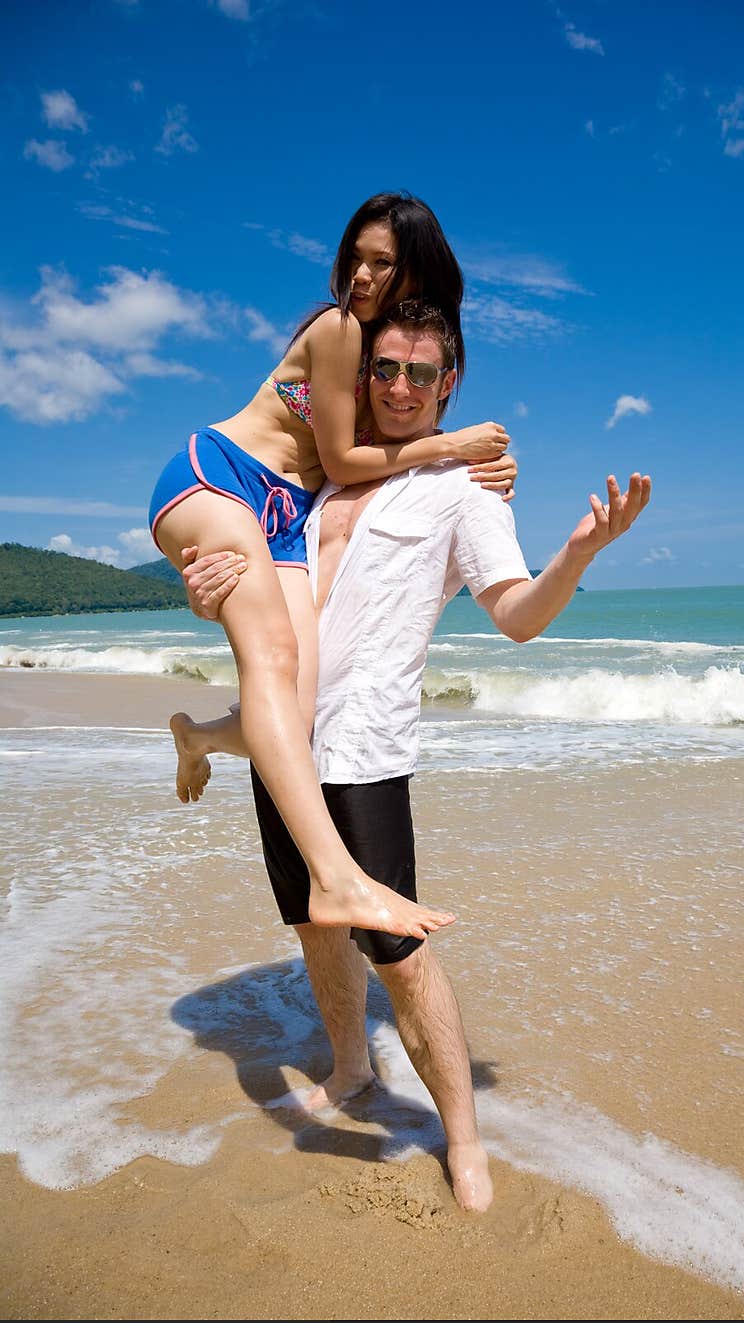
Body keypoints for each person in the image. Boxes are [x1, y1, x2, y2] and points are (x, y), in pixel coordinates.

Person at [181, 299, 652, 1211]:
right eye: (384, 370)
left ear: (451, 383)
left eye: (420, 373)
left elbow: (514, 615)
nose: (399, 388)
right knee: (314, 923)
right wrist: (207, 590)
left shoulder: (465, 489)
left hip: (364, 745)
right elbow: (251, 592)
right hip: (283, 740)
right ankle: (354, 1067)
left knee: (397, 947)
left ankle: (463, 1136)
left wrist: (579, 555)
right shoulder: (310, 484)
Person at [148, 193, 515, 943]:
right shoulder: (339, 328)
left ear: (417, 271)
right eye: (357, 255)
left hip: (286, 517)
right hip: (221, 480)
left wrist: (478, 462)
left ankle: (200, 735)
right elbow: (348, 460)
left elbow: (393, 449)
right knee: (275, 659)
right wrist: (456, 446)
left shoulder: (394, 351)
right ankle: (335, 877)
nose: (361, 273)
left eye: (384, 262)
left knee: (299, 709)